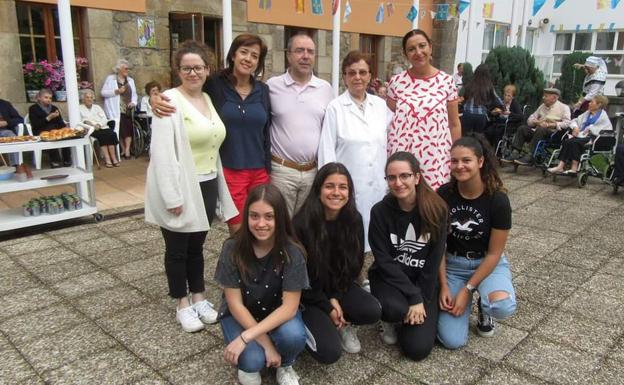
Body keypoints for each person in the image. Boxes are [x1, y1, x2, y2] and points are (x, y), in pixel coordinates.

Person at [144, 40, 237, 333]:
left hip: (207, 183)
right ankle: (181, 303)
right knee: (177, 249)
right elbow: (161, 154)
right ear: (178, 70)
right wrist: (172, 195)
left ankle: (199, 296)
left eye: (198, 67)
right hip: (181, 186)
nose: (193, 73)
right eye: (187, 68)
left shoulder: (208, 99)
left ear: (207, 70)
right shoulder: (168, 102)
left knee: (197, 246)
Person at [151, 34, 273, 234]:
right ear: (233, 54)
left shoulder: (264, 90)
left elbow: (266, 131)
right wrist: (155, 99)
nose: (248, 59)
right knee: (239, 232)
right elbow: (186, 89)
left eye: (254, 55)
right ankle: (238, 265)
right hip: (230, 170)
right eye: (243, 52)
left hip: (259, 171)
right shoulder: (215, 84)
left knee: (262, 229)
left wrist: (268, 170)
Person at [215, 184, 308, 385]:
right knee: (253, 360)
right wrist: (267, 345)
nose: (261, 223)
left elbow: (289, 307)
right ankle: (261, 355)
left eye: (269, 216)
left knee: (293, 337)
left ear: (280, 218)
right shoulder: (232, 248)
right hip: (241, 314)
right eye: (254, 216)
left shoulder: (292, 252)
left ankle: (286, 364)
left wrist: (245, 338)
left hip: (277, 312)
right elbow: (235, 305)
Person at [293, 163, 382, 364]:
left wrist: (335, 297)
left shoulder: (354, 220)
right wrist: (327, 305)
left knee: (372, 310)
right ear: (318, 189)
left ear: (349, 192)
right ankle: (301, 323)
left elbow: (353, 268)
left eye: (342, 187)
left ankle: (343, 323)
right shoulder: (301, 224)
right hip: (307, 296)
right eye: (329, 186)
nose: (336, 192)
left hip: (338, 287)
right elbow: (299, 280)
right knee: (329, 352)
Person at [437, 135, 516, 349]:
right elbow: (438, 246)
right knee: (451, 341)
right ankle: (471, 296)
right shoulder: (444, 194)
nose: (459, 166)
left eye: (466, 160)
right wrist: (443, 285)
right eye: (454, 161)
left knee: (502, 306)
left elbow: (494, 253)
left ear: (480, 162)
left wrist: (468, 289)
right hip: (454, 265)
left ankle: (485, 305)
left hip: (487, 264)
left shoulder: (497, 199)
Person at [368, 151, 448, 361]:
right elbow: (383, 261)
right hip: (389, 279)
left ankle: (410, 319)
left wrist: (419, 298)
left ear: (417, 177)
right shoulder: (379, 211)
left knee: (417, 350)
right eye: (392, 177)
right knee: (394, 309)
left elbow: (433, 263)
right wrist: (412, 297)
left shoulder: (437, 210)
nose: (398, 182)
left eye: (404, 176)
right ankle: (390, 319)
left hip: (422, 282)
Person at [318, 51, 388, 251]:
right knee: (348, 236)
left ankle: (371, 275)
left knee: (376, 236)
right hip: (348, 186)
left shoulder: (381, 107)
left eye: (362, 72)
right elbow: (327, 151)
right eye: (351, 73)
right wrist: (330, 188)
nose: (357, 77)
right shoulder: (336, 108)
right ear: (344, 77)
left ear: (370, 76)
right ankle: (351, 275)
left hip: (377, 185)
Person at [267, 33, 334, 215]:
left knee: (306, 225)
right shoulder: (272, 86)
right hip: (282, 171)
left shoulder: (325, 89)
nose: (305, 56)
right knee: (280, 224)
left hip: (312, 172)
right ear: (289, 55)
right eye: (299, 51)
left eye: (310, 52)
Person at [386, 29, 461, 191]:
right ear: (406, 54)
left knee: (435, 205)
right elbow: (391, 117)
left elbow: (454, 124)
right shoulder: (396, 83)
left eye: (422, 46)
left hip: (436, 157)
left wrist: (457, 157)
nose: (418, 52)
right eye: (411, 49)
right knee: (405, 202)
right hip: (404, 156)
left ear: (430, 47)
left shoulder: (446, 82)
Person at [502, 88, 571, 165]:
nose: (543, 98)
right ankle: (515, 153)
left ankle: (530, 155)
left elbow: (567, 123)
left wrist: (551, 124)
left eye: (546, 96)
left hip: (553, 134)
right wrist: (537, 122)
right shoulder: (542, 106)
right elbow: (530, 119)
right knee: (522, 128)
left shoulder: (564, 107)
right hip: (537, 131)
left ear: (554, 98)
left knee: (541, 129)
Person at [548, 95, 613, 175]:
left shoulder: (603, 117)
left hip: (593, 138)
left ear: (599, 104)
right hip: (581, 136)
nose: (589, 104)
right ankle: (560, 166)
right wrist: (575, 127)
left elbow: (606, 130)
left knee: (575, 142)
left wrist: (591, 129)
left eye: (592, 102)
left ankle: (574, 168)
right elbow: (574, 121)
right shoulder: (587, 113)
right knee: (567, 141)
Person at [101, 58, 138, 160]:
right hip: (115, 109)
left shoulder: (130, 81)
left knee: (128, 130)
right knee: (120, 130)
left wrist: (133, 102)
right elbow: (103, 93)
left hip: (127, 108)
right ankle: (123, 149)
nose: (127, 70)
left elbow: (134, 95)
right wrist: (116, 91)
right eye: (125, 68)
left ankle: (127, 150)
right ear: (119, 69)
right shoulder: (111, 79)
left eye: (128, 69)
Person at [28, 89, 72, 168]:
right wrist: (48, 118)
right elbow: (35, 124)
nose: (48, 100)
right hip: (40, 131)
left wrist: (65, 128)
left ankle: (67, 159)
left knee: (65, 134)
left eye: (50, 98)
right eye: (46, 97)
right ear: (39, 98)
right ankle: (55, 161)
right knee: (51, 133)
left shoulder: (54, 108)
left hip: (54, 130)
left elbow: (60, 122)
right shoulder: (33, 108)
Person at [78, 89, 120, 167]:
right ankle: (107, 158)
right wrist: (87, 122)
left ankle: (113, 158)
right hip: (91, 129)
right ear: (83, 99)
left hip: (102, 126)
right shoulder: (79, 108)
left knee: (112, 134)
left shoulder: (97, 107)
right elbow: (80, 120)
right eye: (87, 97)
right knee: (103, 135)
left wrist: (99, 125)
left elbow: (104, 118)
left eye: (91, 97)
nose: (89, 99)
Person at [460, 64, 504, 136]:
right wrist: (502, 108)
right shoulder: (489, 86)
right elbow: (498, 101)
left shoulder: (469, 84)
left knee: (465, 139)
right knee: (478, 139)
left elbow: (464, 98)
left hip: (467, 115)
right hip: (481, 116)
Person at [485, 84, 523, 148]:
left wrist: (509, 113)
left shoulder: (514, 104)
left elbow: (520, 117)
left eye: (509, 96)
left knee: (497, 132)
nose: (506, 97)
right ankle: (488, 150)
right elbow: (490, 113)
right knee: (488, 131)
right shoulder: (500, 103)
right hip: (498, 123)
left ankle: (497, 152)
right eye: (505, 95)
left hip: (509, 125)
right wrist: (493, 113)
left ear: (513, 97)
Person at [0, 98, 24, 168]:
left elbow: (19, 119)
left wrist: (7, 122)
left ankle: (16, 165)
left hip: (4, 130)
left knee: (11, 136)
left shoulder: (5, 104)